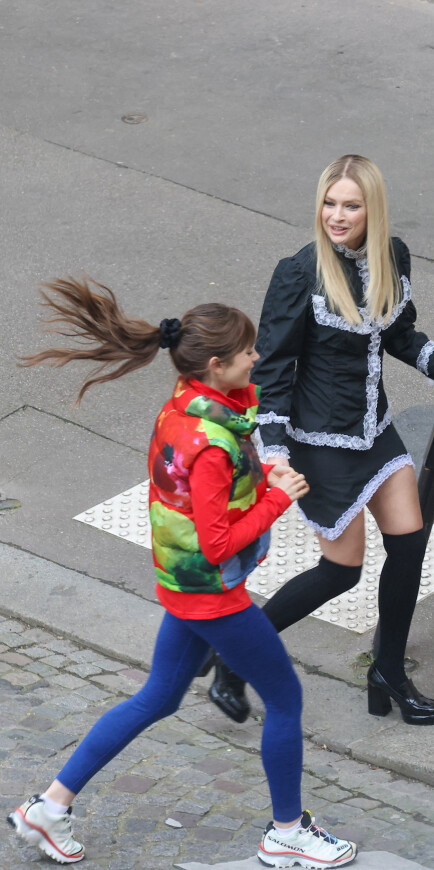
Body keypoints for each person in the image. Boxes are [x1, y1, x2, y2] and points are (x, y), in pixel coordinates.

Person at [7, 277, 357, 869]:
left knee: (158, 697)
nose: (257, 358)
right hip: (215, 596)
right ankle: (286, 833)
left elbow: (202, 508)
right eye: (247, 352)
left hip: (182, 585)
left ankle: (48, 808)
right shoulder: (213, 444)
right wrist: (277, 497)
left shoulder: (182, 407)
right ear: (217, 365)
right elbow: (218, 542)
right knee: (287, 699)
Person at [209, 154, 434, 727]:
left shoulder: (392, 256)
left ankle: (388, 670)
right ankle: (233, 657)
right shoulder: (298, 273)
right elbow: (271, 372)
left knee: (409, 545)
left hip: (374, 429)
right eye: (329, 203)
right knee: (342, 570)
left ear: (373, 210)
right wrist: (276, 456)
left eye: (351, 205)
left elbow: (401, 335)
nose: (337, 216)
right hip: (316, 440)